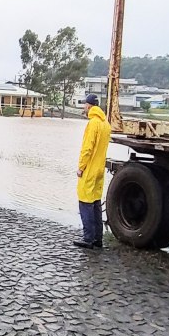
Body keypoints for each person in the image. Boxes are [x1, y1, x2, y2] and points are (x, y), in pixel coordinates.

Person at [73, 94, 112, 249]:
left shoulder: (93, 123)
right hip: (100, 170)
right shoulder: (106, 124)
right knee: (96, 203)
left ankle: (88, 238)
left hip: (89, 169)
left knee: (85, 202)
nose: (84, 107)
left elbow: (87, 149)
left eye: (84, 105)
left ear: (89, 106)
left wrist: (80, 168)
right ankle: (98, 238)